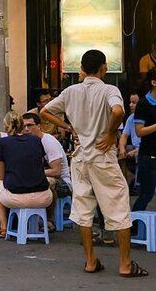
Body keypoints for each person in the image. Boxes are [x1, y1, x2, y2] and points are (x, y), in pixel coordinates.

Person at [41, 49, 147, 277]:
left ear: (82, 68)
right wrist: (110, 133)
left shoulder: (71, 91)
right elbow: (118, 111)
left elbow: (45, 111)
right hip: (102, 156)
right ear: (103, 68)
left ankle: (90, 261)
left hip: (80, 157)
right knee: (118, 207)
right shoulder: (109, 89)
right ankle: (125, 264)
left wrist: (70, 127)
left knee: (83, 210)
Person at [0, 112, 53, 238]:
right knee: (51, 181)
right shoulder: (36, 140)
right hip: (43, 198)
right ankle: (46, 221)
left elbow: (1, 176)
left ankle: (3, 225)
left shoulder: (2, 143)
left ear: (6, 126)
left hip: (16, 198)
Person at [22, 112, 71, 229]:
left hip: (63, 184)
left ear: (39, 126)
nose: (26, 129)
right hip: (38, 178)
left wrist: (33, 173)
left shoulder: (48, 141)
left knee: (48, 182)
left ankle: (49, 220)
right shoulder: (28, 142)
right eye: (24, 126)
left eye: (30, 125)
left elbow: (56, 172)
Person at [132, 69, 156, 212]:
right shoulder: (143, 104)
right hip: (148, 155)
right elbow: (139, 131)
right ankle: (132, 227)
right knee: (147, 193)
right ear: (154, 82)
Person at [119, 93, 141, 189]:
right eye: (130, 102)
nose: (130, 105)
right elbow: (124, 136)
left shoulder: (149, 117)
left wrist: (136, 151)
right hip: (134, 146)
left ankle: (138, 185)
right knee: (116, 153)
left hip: (147, 148)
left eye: (134, 102)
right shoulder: (131, 118)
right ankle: (126, 180)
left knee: (139, 154)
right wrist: (121, 148)